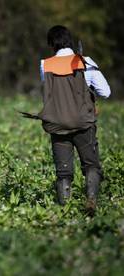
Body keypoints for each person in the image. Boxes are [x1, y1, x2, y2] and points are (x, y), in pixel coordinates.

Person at [39, 25, 111, 214]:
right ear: (69, 40)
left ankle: (65, 210)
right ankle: (92, 201)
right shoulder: (85, 61)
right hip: (83, 123)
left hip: (57, 125)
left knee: (63, 171)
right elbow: (106, 92)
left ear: (51, 44)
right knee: (91, 165)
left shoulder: (45, 65)